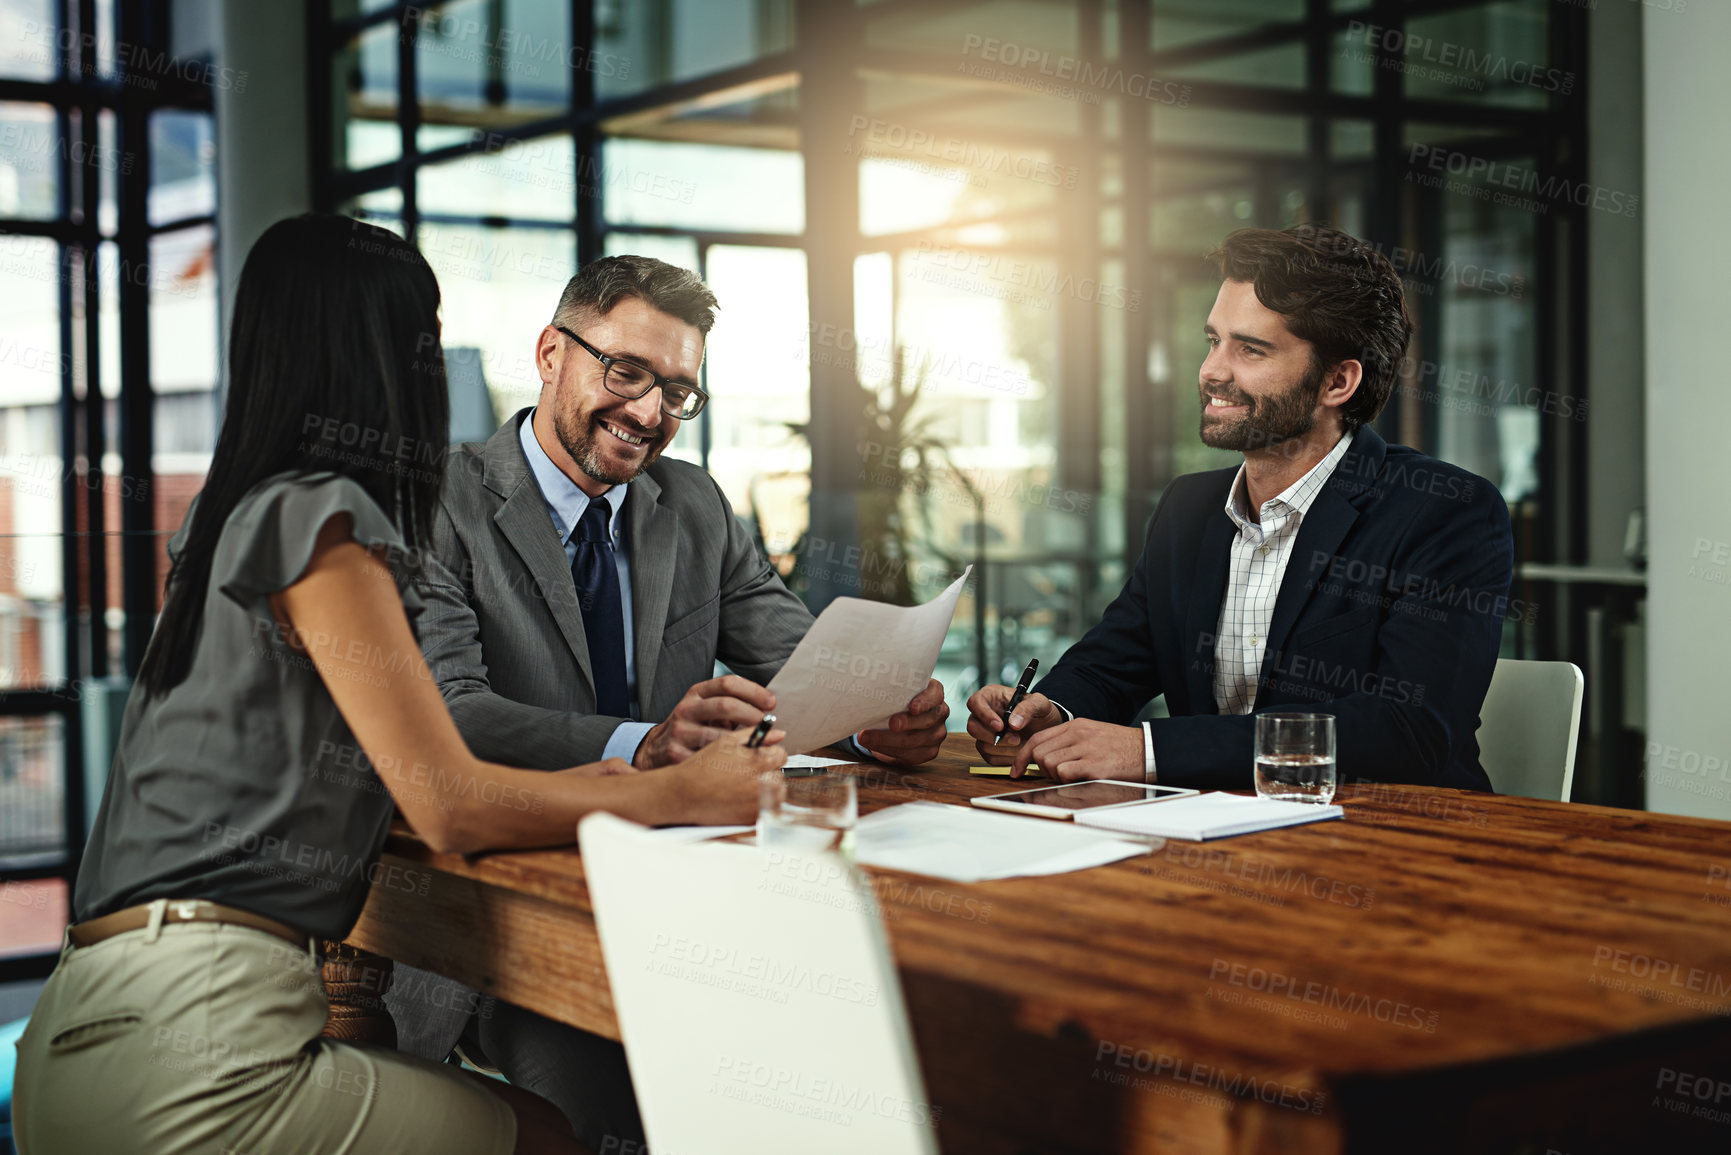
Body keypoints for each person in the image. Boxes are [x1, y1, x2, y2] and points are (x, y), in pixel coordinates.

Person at [11, 215, 782, 1155]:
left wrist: (633, 773)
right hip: (198, 1040)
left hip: (90, 1022)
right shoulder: (324, 519)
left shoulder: (238, 515)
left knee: (534, 1120)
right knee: (553, 1135)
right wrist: (671, 791)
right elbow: (447, 800)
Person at [389, 254, 951, 1144]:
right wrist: (640, 747)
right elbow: (450, 714)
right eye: (627, 372)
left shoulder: (689, 502)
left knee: (876, 1041)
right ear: (550, 353)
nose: (650, 413)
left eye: (678, 392)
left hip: (705, 899)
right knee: (620, 1098)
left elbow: (803, 665)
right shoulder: (438, 499)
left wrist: (881, 714)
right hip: (509, 925)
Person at [967, 223, 1513, 792]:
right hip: (1212, 837)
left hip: (1393, 843)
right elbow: (1118, 657)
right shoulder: (1189, 507)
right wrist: (1050, 709)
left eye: (1250, 349)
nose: (1212, 371)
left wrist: (1149, 749)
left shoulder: (1445, 512)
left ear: (1337, 381)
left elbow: (1408, 730)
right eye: (1213, 341)